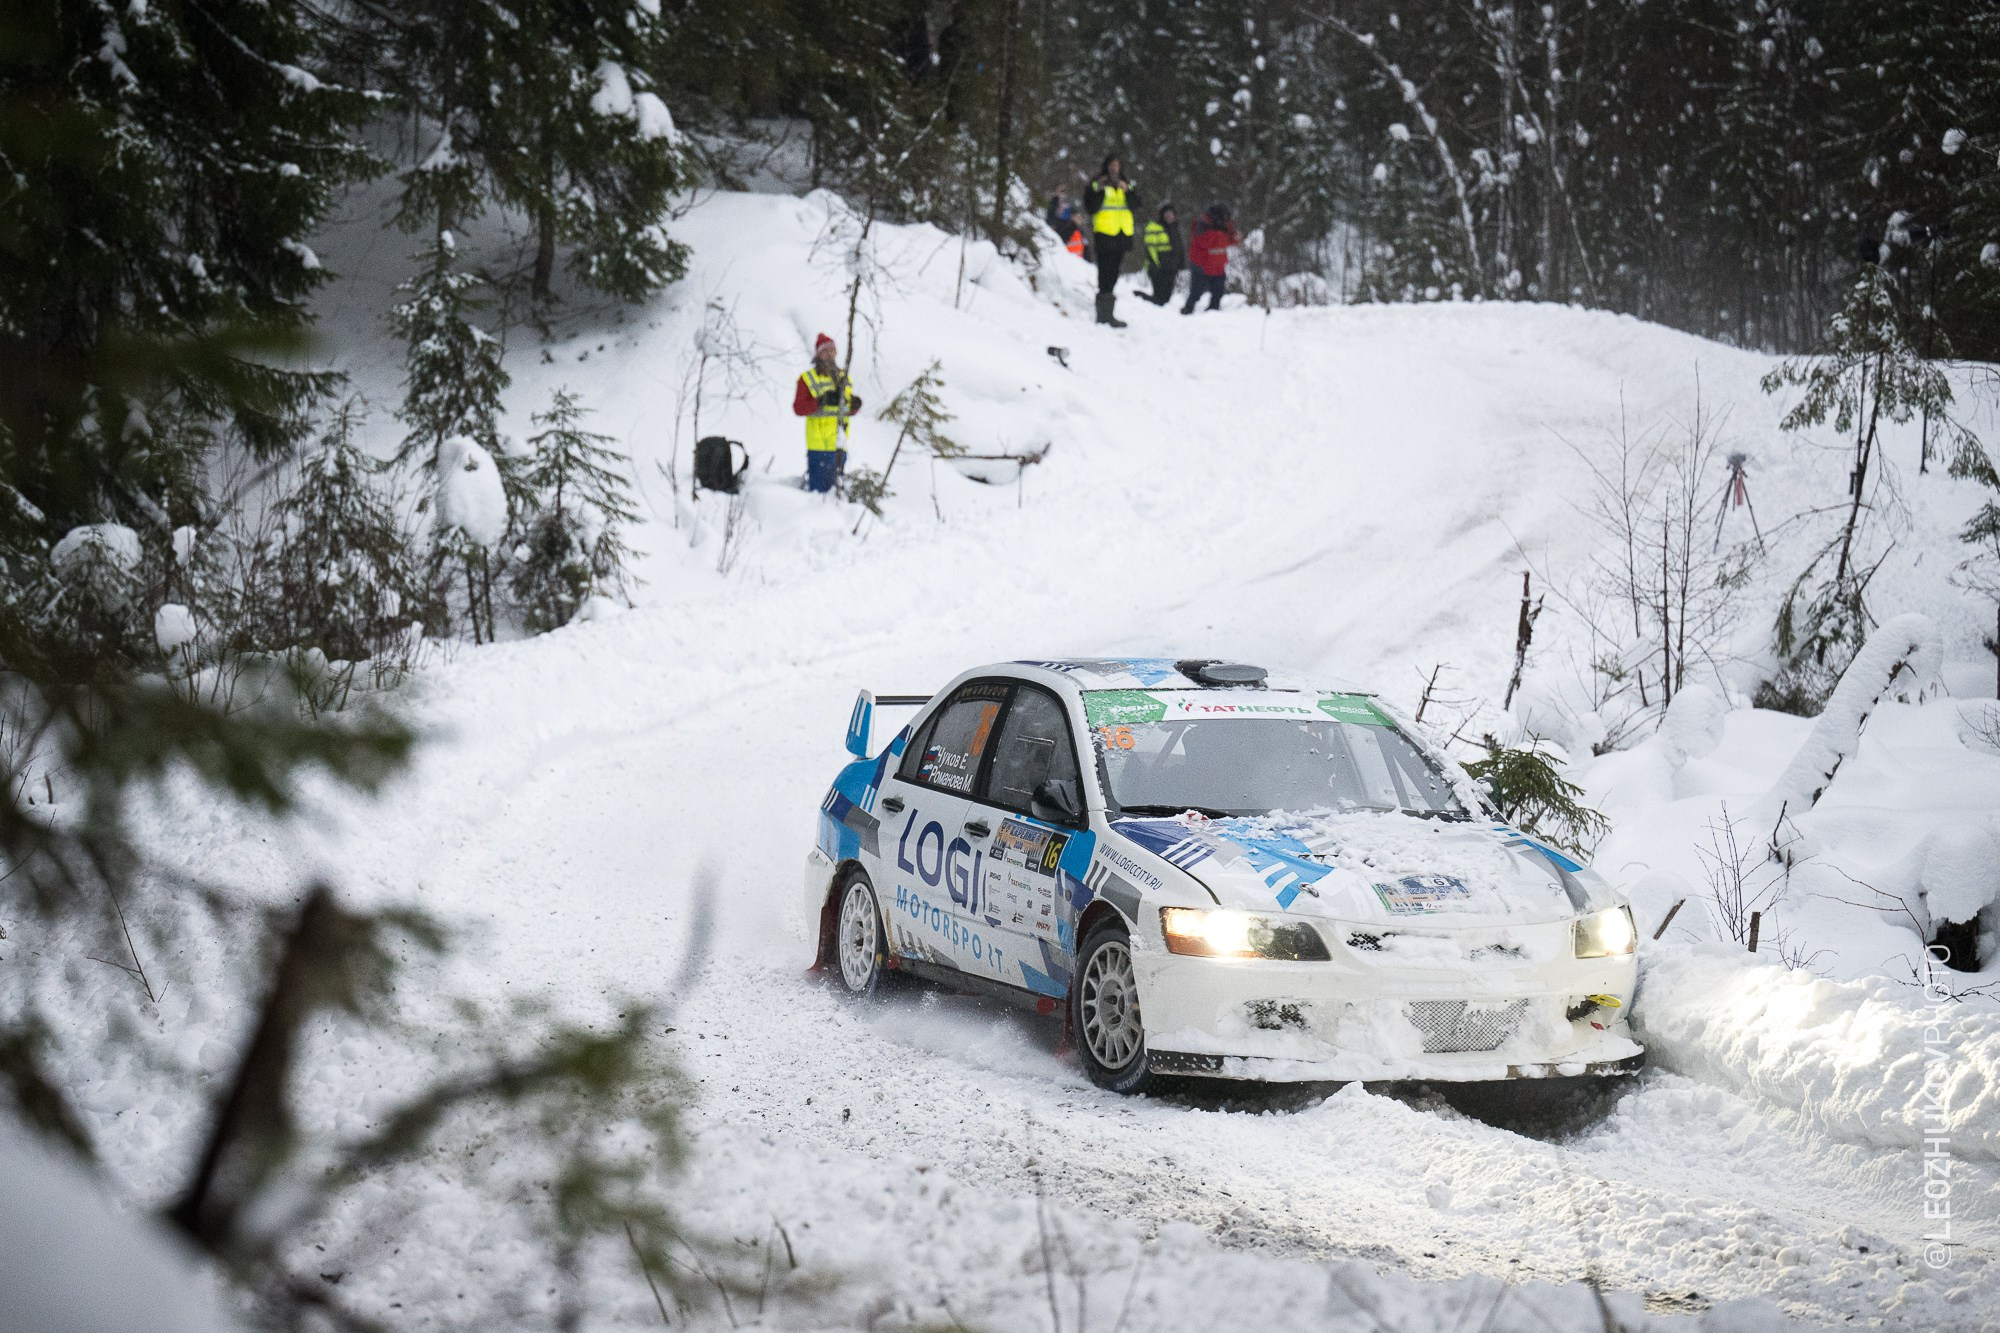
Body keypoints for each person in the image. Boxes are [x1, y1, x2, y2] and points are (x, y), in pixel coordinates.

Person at [792, 333, 861, 493]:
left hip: (840, 443)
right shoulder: (807, 378)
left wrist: (854, 406)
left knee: (836, 493)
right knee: (820, 495)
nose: (829, 354)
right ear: (818, 354)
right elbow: (799, 408)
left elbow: (845, 409)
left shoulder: (844, 377)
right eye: (825, 351)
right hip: (819, 446)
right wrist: (821, 401)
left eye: (832, 350)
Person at [1084, 155, 1138, 327]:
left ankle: (1108, 312)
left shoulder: (1126, 183)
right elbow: (1090, 206)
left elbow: (1136, 204)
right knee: (1105, 272)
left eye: (1117, 165)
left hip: (1121, 234)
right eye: (1112, 165)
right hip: (1104, 233)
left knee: (1114, 272)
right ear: (1106, 166)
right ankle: (1103, 314)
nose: (1114, 168)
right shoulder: (1097, 183)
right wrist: (1099, 189)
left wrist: (1127, 191)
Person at [1183, 202, 1240, 315]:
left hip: (1218, 265)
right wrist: (1222, 234)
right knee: (1196, 292)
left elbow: (1227, 240)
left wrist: (1235, 238)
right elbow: (1204, 241)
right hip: (1201, 264)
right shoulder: (1202, 223)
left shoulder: (1224, 225)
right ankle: (1187, 310)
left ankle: (1213, 312)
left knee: (1218, 292)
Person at [1141, 202, 1184, 306]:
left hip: (1171, 268)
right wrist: (1155, 265)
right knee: (1159, 299)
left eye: (1171, 214)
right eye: (1167, 214)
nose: (1169, 216)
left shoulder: (1174, 229)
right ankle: (1139, 300)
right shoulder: (1154, 228)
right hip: (1159, 268)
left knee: (1165, 298)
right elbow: (1150, 249)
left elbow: (1179, 248)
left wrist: (1180, 264)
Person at [1045, 190, 1086, 258]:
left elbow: (1084, 250)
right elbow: (1050, 217)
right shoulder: (1065, 226)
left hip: (1077, 261)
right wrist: (1056, 198)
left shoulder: (1079, 231)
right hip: (1065, 259)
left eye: (1080, 217)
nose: (1079, 219)